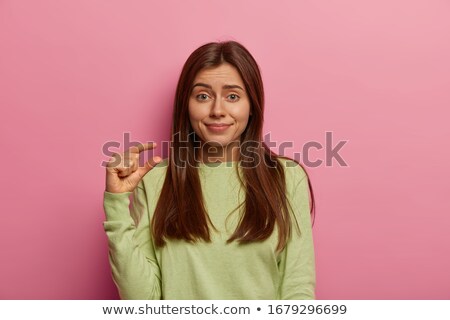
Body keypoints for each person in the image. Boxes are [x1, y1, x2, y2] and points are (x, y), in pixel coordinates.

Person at [103, 40, 316, 300]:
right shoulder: (156, 180)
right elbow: (141, 300)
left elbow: (297, 291)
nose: (217, 110)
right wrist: (116, 203)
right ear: (186, 105)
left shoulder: (287, 177)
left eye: (233, 96)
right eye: (203, 96)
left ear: (252, 106)